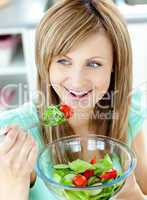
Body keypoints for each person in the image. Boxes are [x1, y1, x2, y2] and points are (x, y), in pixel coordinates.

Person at [0, 0, 146, 199]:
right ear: (45, 63)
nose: (77, 82)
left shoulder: (129, 112)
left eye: (94, 64)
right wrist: (13, 183)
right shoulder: (14, 139)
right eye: (63, 61)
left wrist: (129, 191)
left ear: (115, 65)